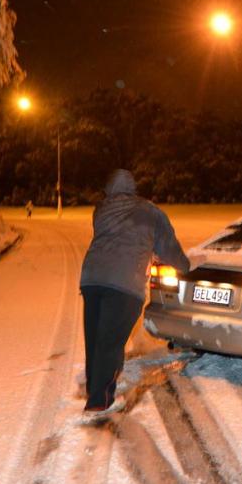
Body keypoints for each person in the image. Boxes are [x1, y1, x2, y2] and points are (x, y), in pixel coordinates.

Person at [79, 169, 191, 413]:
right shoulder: (150, 211)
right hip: (125, 284)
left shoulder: (101, 210)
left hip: (92, 279)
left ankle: (94, 390)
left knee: (96, 337)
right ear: (133, 188)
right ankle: (100, 400)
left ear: (109, 189)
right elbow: (168, 247)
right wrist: (185, 267)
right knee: (111, 340)